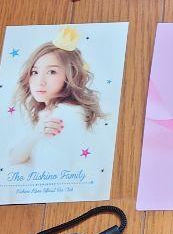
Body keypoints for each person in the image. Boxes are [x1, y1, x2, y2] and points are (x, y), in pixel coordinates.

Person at [8, 29, 104, 171]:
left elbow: (52, 171)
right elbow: (14, 157)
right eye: (35, 72)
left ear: (70, 76)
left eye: (52, 72)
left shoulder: (64, 114)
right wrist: (36, 134)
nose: (40, 81)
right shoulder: (47, 111)